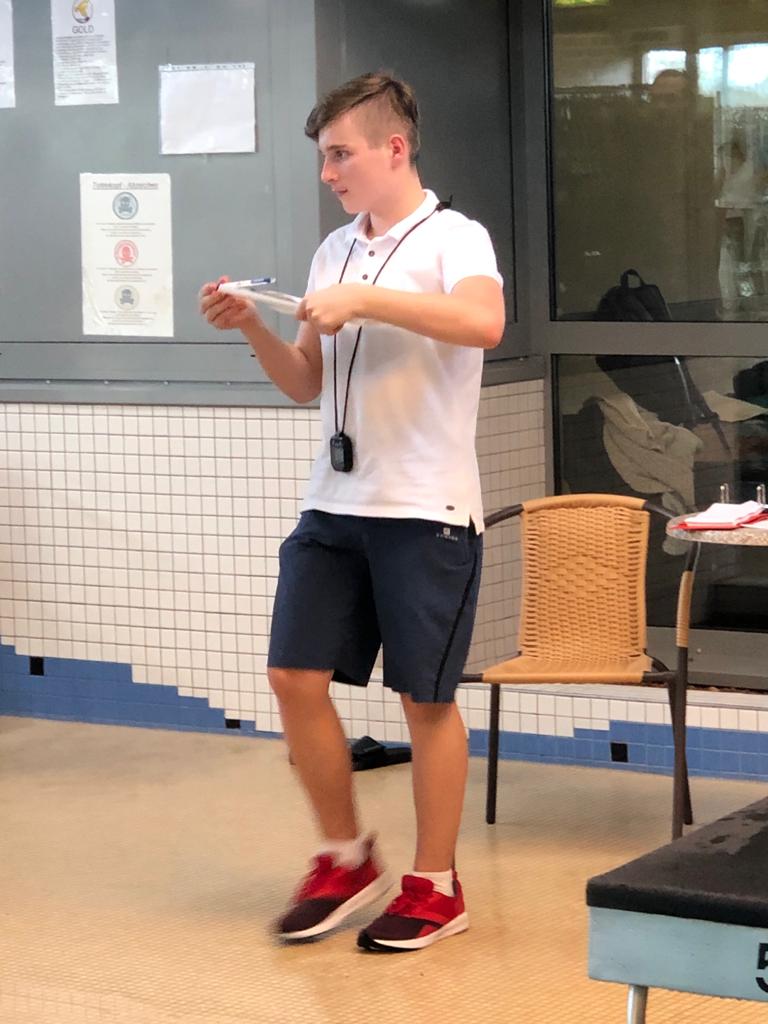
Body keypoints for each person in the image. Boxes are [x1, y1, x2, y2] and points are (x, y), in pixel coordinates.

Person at [199, 71, 505, 953]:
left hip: (426, 508)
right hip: (334, 506)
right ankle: (344, 857)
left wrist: (366, 301)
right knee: (293, 677)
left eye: (341, 154)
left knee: (423, 700)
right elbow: (307, 381)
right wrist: (253, 324)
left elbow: (483, 324)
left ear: (393, 148)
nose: (328, 172)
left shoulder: (456, 237)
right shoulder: (332, 250)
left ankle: (436, 885)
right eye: (323, 157)